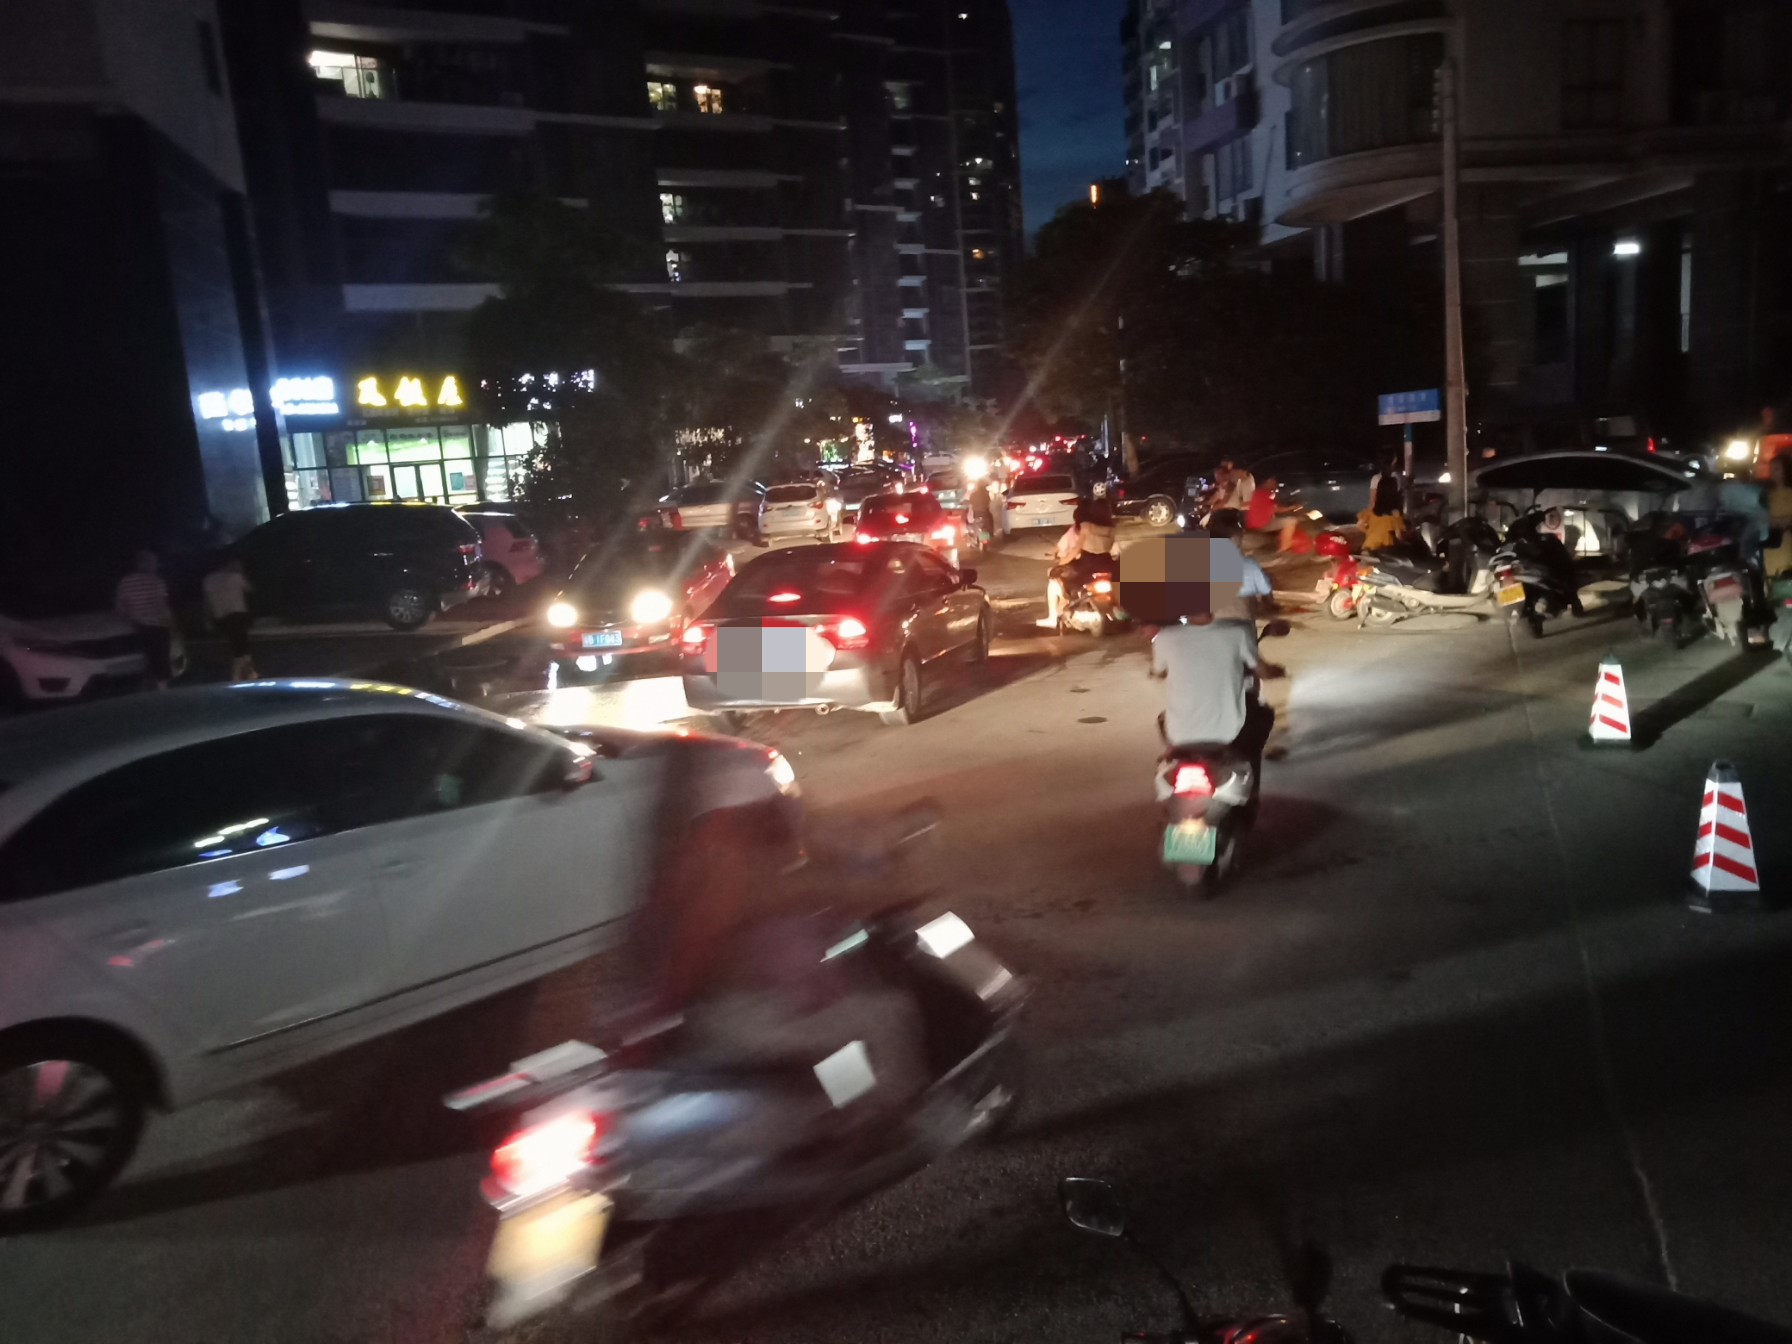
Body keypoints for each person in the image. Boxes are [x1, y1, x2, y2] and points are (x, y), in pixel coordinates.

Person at [1149, 612, 1284, 759]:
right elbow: (1264, 672)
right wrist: (1278, 671)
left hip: (1179, 735)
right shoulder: (1237, 632)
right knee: (1264, 713)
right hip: (1229, 734)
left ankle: (1170, 753)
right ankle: (1256, 760)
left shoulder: (1164, 637)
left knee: (1163, 718)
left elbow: (1158, 672)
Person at [1041, 500, 1118, 627]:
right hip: (1106, 563)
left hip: (1087, 564)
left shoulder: (1086, 526)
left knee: (1059, 579)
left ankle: (1055, 615)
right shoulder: (1112, 528)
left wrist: (1061, 563)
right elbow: (1110, 547)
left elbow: (1076, 549)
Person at [116, 548, 177, 688]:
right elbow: (161, 604)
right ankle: (163, 689)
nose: (156, 565)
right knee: (162, 657)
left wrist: (131, 619)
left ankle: (151, 684)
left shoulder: (125, 581)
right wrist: (171, 623)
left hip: (140, 625)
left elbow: (120, 606)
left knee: (149, 656)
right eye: (154, 562)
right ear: (145, 564)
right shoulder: (156, 581)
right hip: (159, 624)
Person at [203, 555, 257, 681]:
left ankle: (245, 673)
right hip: (238, 613)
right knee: (242, 645)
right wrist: (241, 572)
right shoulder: (235, 576)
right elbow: (250, 589)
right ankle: (242, 674)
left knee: (235, 644)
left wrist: (207, 618)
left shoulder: (209, 579)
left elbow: (207, 601)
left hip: (221, 615)